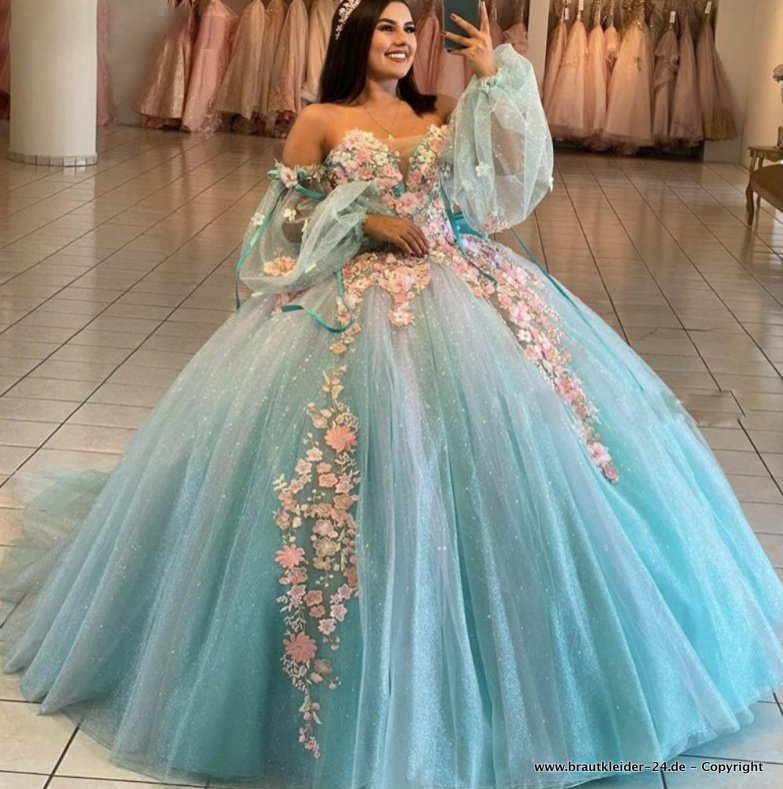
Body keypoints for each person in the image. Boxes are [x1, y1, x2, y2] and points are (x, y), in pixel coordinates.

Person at [1, 2, 783, 788]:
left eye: (410, 29)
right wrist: (362, 219)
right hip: (350, 300)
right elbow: (283, 219)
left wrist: (496, 79)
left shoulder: (444, 109)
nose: (402, 40)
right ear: (355, 38)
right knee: (337, 469)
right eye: (386, 27)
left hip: (460, 289)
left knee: (528, 457)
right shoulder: (319, 121)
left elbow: (507, 182)